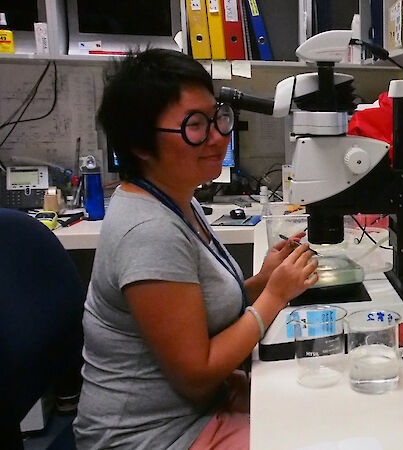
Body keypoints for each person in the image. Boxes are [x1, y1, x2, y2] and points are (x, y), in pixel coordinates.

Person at [73, 48, 318, 448]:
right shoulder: (148, 229)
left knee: (318, 405)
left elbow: (199, 309)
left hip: (198, 406)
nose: (218, 137)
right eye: (194, 126)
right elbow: (197, 372)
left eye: (217, 118)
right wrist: (274, 296)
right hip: (151, 435)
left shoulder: (176, 198)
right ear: (139, 144)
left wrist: (262, 280)